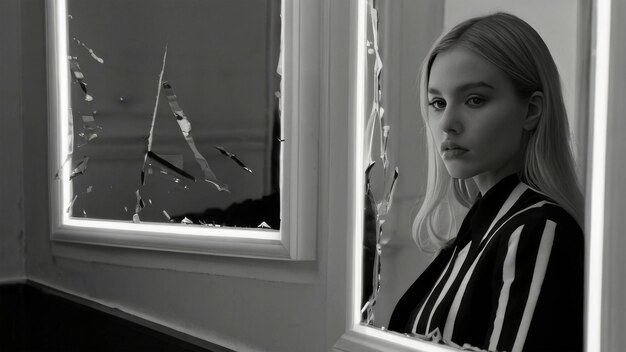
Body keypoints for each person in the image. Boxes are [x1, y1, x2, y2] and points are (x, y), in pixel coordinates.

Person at [388, 13, 584, 352]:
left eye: (474, 99)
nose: (447, 122)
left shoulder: (536, 229)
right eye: (438, 102)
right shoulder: (478, 230)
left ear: (532, 110)